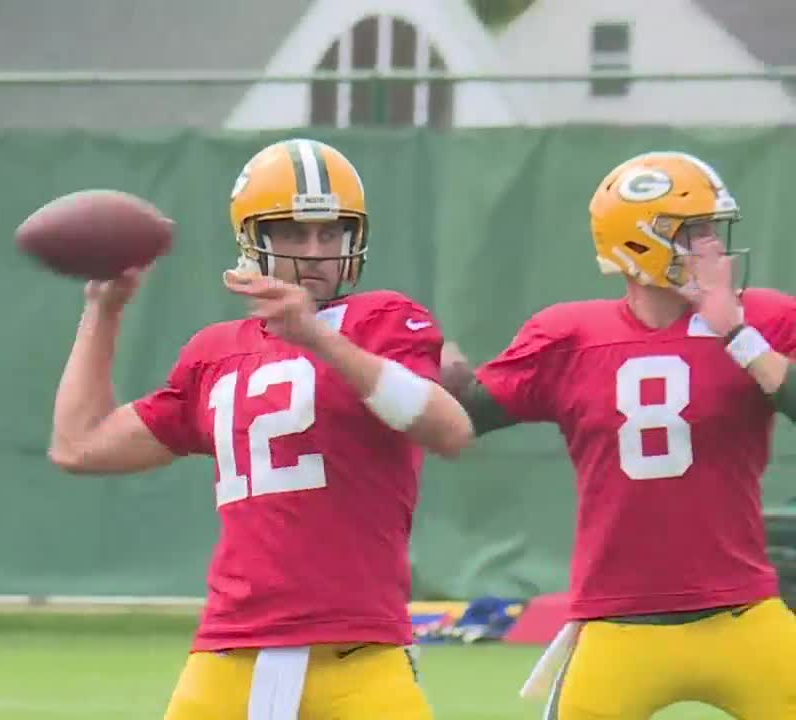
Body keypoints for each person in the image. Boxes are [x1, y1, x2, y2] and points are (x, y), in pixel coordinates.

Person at [48, 138, 472, 719]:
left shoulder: (380, 319)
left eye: (331, 233)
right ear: (255, 240)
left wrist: (317, 336)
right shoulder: (216, 353)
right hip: (231, 650)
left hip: (358, 649)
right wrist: (104, 309)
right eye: (294, 233)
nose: (317, 251)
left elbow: (448, 430)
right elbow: (79, 445)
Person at [441, 151, 796, 719]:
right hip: (618, 621)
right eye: (695, 231)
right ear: (642, 242)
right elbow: (460, 420)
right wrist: (437, 381)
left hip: (743, 611)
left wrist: (737, 333)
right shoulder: (570, 336)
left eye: (713, 229)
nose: (713, 247)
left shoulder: (763, 321)